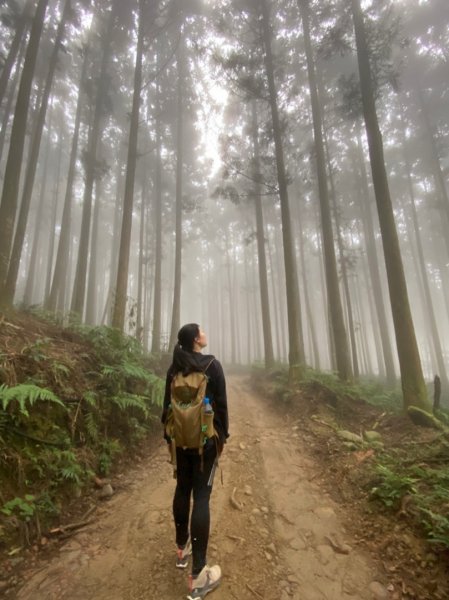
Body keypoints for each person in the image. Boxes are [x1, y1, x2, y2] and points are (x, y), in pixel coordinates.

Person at [162, 323, 229, 600]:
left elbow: (165, 408)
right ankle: (199, 575)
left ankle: (182, 549)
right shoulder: (212, 365)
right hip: (205, 444)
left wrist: (170, 440)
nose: (205, 333)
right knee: (201, 497)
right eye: (201, 331)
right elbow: (223, 408)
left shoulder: (173, 368)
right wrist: (221, 438)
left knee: (182, 490)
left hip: (180, 441)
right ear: (195, 340)